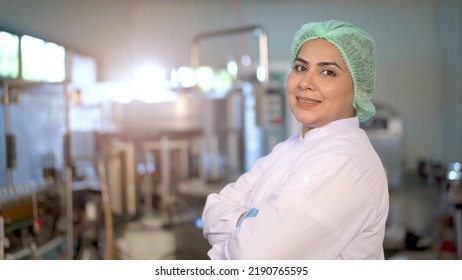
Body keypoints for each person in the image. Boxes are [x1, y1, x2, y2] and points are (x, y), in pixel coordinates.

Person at [201, 19, 389, 259]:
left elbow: (253, 258)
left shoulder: (344, 161)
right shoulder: (289, 148)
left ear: (358, 88)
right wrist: (249, 226)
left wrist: (243, 223)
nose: (305, 83)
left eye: (327, 72)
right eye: (301, 68)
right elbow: (212, 208)